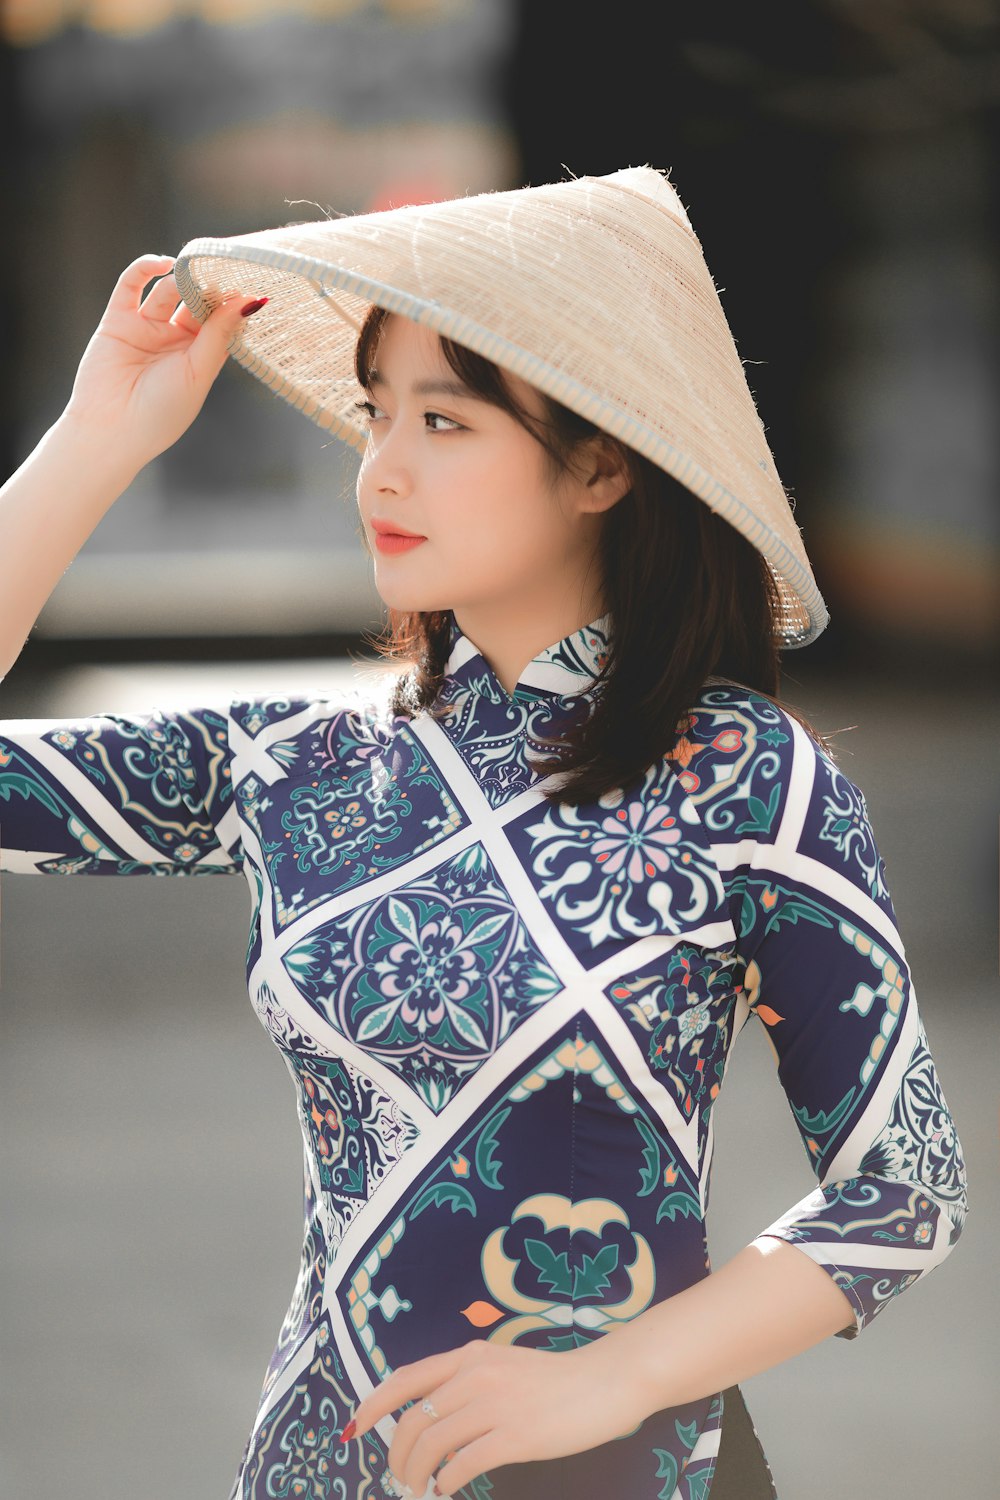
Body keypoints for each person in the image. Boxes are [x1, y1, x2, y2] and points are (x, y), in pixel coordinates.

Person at [0, 167, 968, 1500]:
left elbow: (903, 1193)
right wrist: (99, 435)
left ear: (602, 464)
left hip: (620, 1472)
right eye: (374, 412)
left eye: (445, 422)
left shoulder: (744, 777)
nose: (380, 471)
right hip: (320, 1463)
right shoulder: (296, 761)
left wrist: (613, 1376)